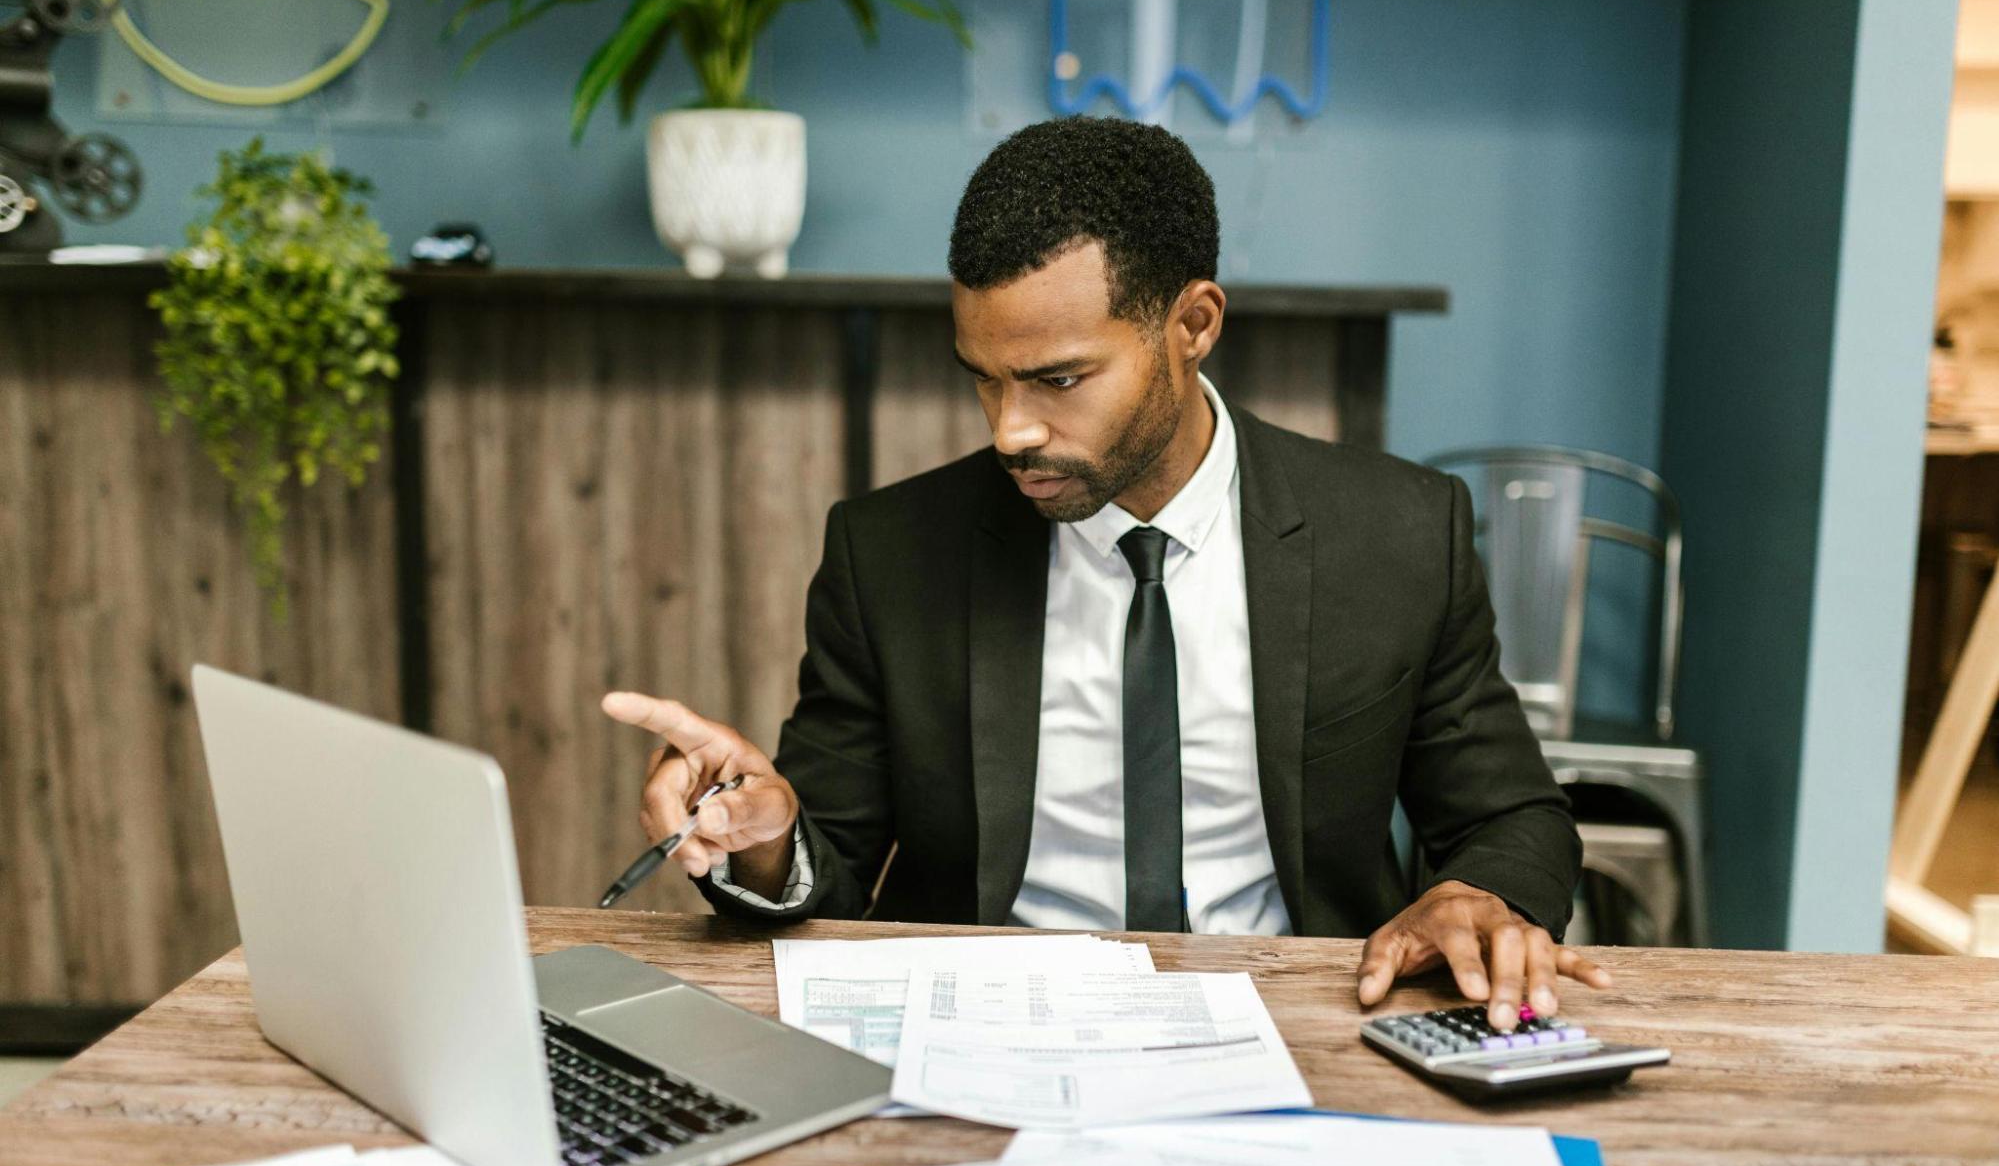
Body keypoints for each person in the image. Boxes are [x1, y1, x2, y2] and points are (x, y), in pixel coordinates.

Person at [603, 117, 1608, 1031]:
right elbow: (832, 865)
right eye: (984, 380)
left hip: (1305, 1020)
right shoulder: (892, 553)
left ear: (1193, 324)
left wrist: (1485, 896)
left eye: (1057, 379)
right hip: (988, 1033)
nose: (1012, 430)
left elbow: (1508, 814)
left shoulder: (1392, 532)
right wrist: (764, 837)